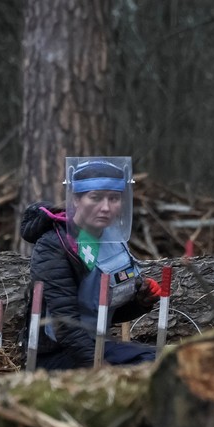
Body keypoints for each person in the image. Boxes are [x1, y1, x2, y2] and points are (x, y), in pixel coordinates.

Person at [20, 157, 161, 370]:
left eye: (114, 198)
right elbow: (64, 324)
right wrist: (99, 370)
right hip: (56, 356)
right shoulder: (55, 245)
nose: (106, 207)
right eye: (95, 198)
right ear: (76, 200)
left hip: (96, 344)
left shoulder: (112, 238)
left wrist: (140, 302)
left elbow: (101, 311)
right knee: (150, 364)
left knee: (165, 358)